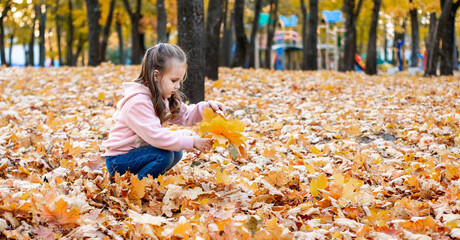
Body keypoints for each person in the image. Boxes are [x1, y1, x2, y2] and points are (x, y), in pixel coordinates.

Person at [102, 43, 225, 179]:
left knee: (175, 152)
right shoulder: (138, 103)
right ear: (156, 76)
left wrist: (209, 109)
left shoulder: (162, 97)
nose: (177, 86)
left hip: (138, 153)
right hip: (119, 160)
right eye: (174, 80)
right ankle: (134, 187)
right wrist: (192, 141)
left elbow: (186, 115)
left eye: (180, 80)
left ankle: (145, 181)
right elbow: (156, 136)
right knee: (164, 155)